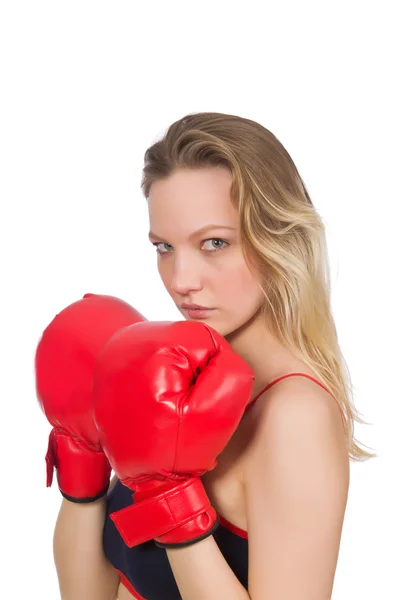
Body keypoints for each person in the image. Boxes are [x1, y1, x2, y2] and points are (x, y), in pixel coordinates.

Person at [37, 112, 375, 600]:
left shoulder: (293, 416)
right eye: (164, 247)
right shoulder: (171, 377)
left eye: (214, 243)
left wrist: (173, 501)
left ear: (278, 237)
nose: (180, 281)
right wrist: (83, 455)